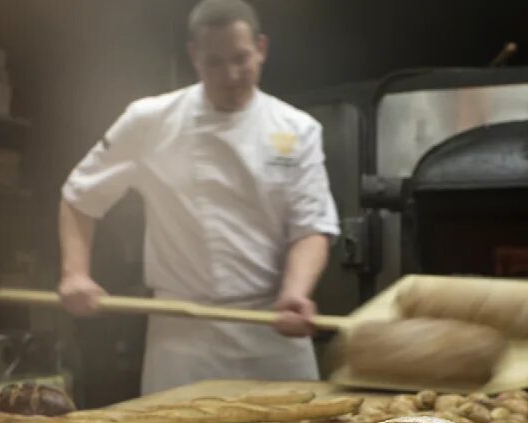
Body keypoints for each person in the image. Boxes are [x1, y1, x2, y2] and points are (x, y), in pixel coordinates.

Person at [58, 0, 340, 395]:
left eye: (241, 58)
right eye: (215, 62)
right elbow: (79, 196)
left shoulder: (297, 129)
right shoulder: (149, 120)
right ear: (194, 57)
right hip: (184, 338)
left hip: (272, 331)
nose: (231, 75)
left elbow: (311, 226)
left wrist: (295, 293)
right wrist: (75, 273)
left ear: (261, 48)